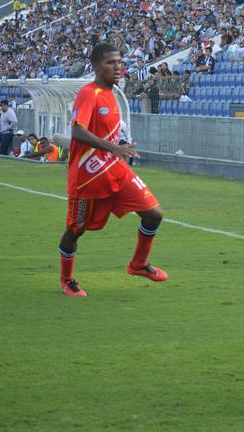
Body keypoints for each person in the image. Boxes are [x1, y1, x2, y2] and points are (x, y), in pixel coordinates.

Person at [57, 43, 168, 297]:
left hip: (115, 169)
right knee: (75, 230)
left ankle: (138, 264)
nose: (117, 67)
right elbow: (77, 132)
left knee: (154, 214)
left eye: (119, 62)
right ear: (97, 66)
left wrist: (117, 149)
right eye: (110, 62)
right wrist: (114, 147)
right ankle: (66, 279)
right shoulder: (89, 93)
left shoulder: (113, 92)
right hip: (88, 177)